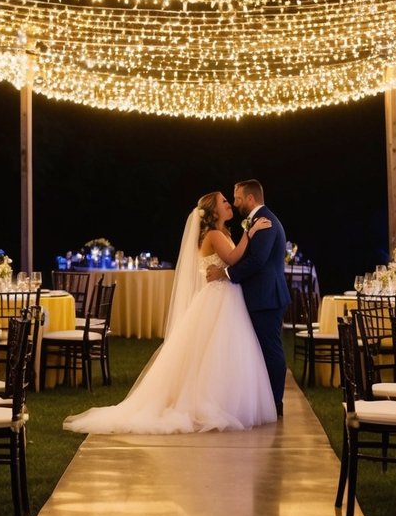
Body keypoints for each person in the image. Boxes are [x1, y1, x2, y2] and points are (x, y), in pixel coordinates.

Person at [62, 191, 278, 434]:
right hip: (218, 297)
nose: (229, 203)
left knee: (222, 350)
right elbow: (232, 257)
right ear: (214, 211)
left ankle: (227, 400)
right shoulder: (215, 234)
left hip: (226, 296)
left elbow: (232, 260)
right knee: (214, 350)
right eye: (224, 202)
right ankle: (208, 402)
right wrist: (250, 234)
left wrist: (246, 236)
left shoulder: (224, 232)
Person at [207, 179, 288, 417]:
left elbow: (257, 260)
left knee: (270, 350)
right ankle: (265, 403)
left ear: (250, 199)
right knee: (261, 351)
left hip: (266, 297)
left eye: (238, 198)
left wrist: (224, 273)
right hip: (261, 296)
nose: (234, 202)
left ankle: (275, 403)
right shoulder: (256, 221)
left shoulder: (265, 221)